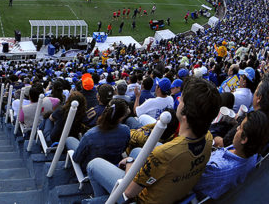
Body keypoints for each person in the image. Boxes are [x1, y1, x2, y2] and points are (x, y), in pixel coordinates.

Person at [87, 78, 220, 203]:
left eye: (181, 100)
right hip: (173, 193)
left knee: (93, 164)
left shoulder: (163, 154)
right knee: (137, 151)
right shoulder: (208, 138)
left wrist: (129, 163)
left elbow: (128, 193)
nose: (178, 101)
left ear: (185, 113)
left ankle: (103, 200)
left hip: (140, 199)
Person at [194, 111, 269, 199]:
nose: (237, 128)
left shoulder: (216, 169)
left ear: (244, 139)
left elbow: (192, 182)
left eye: (240, 127)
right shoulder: (253, 155)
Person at [65, 98, 130, 172]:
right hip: (113, 166)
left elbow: (76, 158)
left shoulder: (90, 135)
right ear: (122, 117)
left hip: (89, 169)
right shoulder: (126, 130)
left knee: (69, 139)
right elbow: (123, 149)